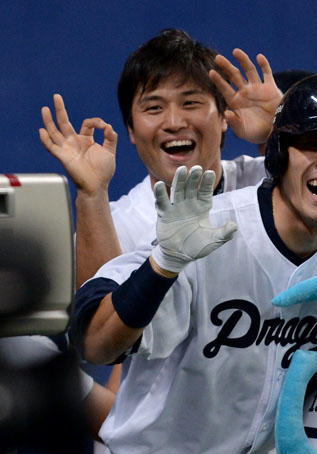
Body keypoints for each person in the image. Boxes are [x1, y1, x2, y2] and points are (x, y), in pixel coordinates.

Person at [70, 74, 317, 454]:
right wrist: (163, 265)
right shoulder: (207, 229)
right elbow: (95, 343)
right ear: (279, 151)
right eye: (313, 144)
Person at [39, 28, 281, 286]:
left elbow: (314, 188)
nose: (174, 122)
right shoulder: (114, 229)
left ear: (224, 116)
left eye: (190, 103)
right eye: (154, 108)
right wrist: (92, 195)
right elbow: (97, 309)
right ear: (131, 129)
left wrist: (281, 129)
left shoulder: (271, 181)